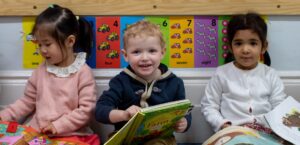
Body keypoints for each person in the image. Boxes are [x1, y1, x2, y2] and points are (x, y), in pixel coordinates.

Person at [0, 4, 100, 144]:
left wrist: (58, 126)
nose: (42, 50)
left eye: (47, 44)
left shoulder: (83, 73)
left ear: (70, 41)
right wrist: (4, 116)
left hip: (71, 134)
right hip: (39, 133)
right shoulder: (40, 71)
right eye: (39, 44)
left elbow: (86, 111)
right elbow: (26, 102)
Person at [95, 20, 191, 145]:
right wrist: (124, 114)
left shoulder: (175, 82)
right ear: (125, 55)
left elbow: (185, 110)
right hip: (127, 138)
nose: (145, 58)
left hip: (160, 138)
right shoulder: (120, 82)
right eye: (136, 52)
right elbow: (100, 111)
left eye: (152, 51)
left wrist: (184, 122)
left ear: (162, 53)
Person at [201, 13, 287, 133]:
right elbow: (209, 106)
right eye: (238, 43)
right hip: (232, 131)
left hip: (265, 133)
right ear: (230, 47)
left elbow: (280, 106)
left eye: (253, 43)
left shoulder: (270, 74)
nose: (245, 50)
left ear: (263, 47)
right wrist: (223, 125)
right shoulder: (221, 74)